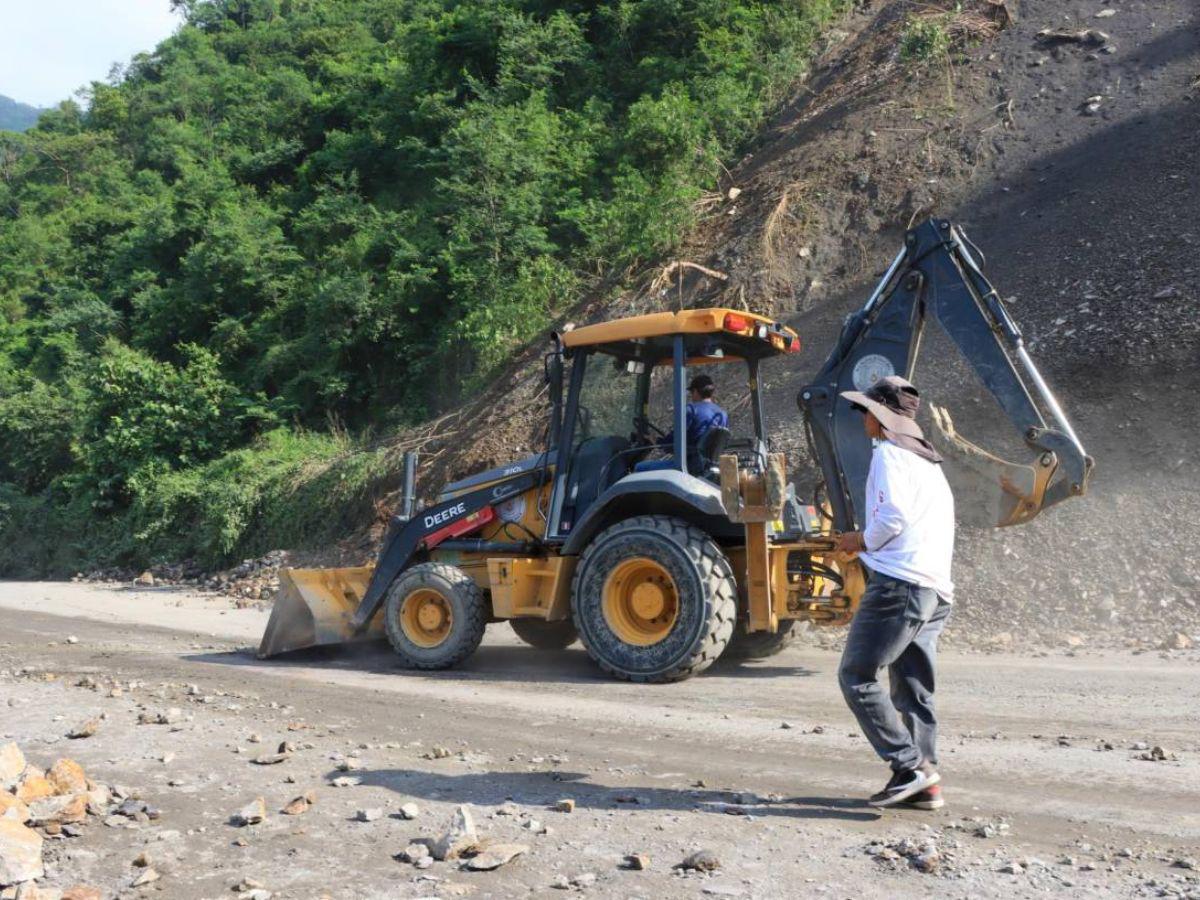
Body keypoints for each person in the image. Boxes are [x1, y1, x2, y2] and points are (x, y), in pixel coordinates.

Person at [833, 375, 955, 810]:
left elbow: (892, 521)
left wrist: (857, 540)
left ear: (880, 416)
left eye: (866, 410)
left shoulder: (888, 455)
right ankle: (927, 784)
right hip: (935, 589)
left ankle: (909, 769)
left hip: (899, 585)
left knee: (857, 676)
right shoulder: (928, 464)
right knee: (913, 688)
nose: (863, 419)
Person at [659, 374, 728, 473]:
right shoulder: (722, 414)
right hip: (711, 466)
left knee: (640, 467)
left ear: (695, 391)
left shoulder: (691, 410)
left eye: (691, 392)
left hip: (688, 465)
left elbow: (675, 440)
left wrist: (657, 441)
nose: (691, 396)